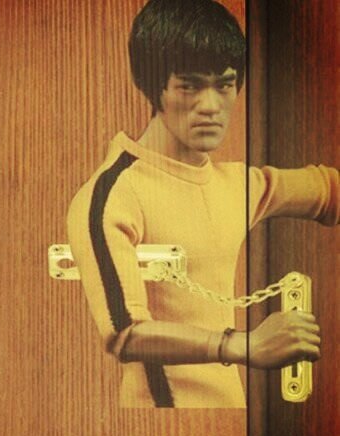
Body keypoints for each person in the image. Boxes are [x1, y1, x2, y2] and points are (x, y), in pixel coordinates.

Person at [66, 0, 338, 408]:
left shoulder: (237, 186)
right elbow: (124, 332)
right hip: (165, 426)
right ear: (154, 86)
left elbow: (327, 189)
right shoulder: (114, 194)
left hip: (230, 419)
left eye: (224, 85)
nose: (210, 106)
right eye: (189, 86)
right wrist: (241, 345)